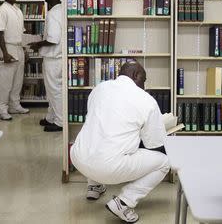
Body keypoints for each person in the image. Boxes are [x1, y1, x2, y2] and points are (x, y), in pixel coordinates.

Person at [70, 61, 170, 223]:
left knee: (99, 136)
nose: (144, 85)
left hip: (78, 158)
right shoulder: (146, 100)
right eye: (143, 80)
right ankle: (124, 202)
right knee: (165, 162)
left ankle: (94, 186)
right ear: (136, 75)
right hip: (108, 168)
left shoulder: (99, 88)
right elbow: (153, 143)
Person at [29, 0, 64, 132]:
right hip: (60, 57)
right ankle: (52, 117)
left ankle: (60, 122)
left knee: (54, 91)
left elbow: (53, 39)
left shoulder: (52, 13)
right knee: (53, 91)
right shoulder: (62, 10)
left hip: (53, 59)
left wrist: (37, 44)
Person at [0, 0, 29, 120]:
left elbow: (21, 33)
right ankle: (1, 109)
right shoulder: (1, 11)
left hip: (18, 47)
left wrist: (24, 50)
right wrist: (5, 53)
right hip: (7, 48)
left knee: (17, 80)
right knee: (5, 80)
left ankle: (15, 105)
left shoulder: (18, 11)